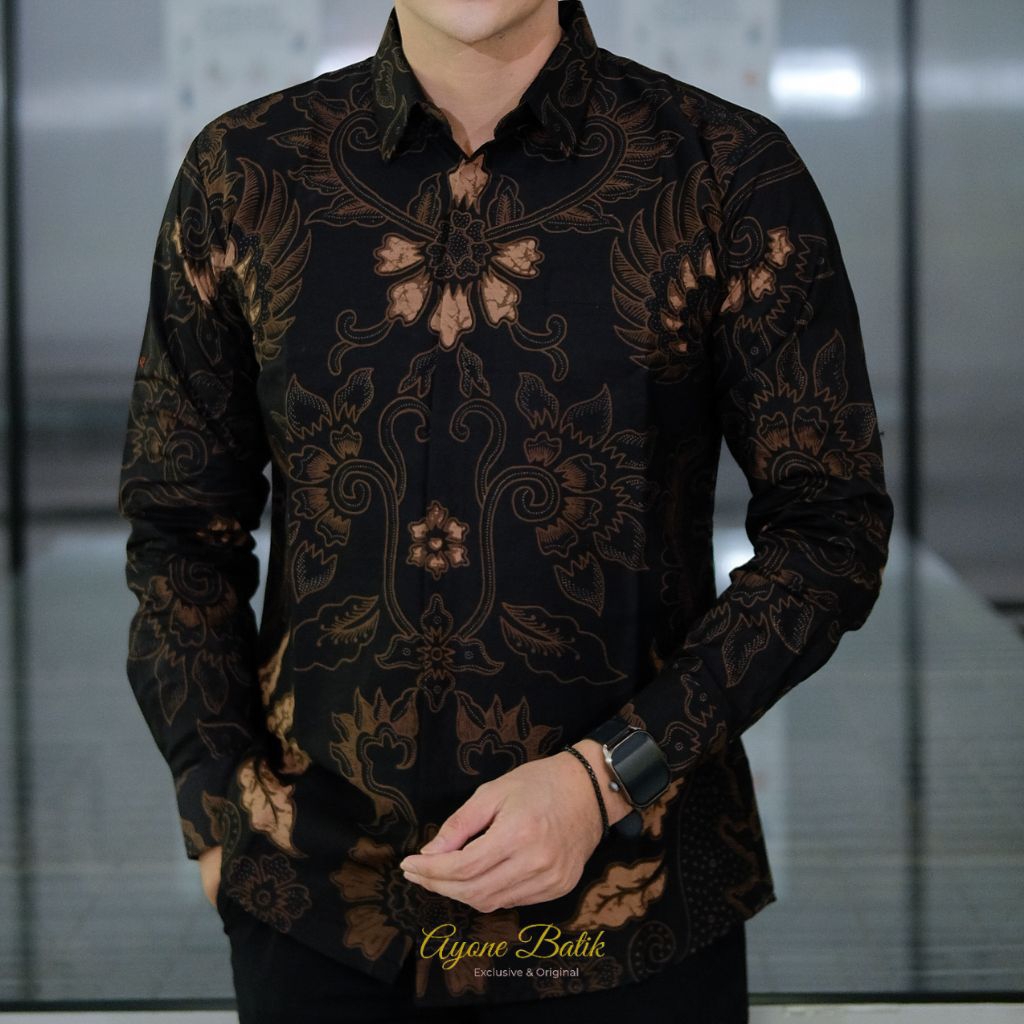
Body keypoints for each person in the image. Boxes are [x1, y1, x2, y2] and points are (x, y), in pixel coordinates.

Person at [117, 0, 894, 1021]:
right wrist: (216, 808)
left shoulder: (724, 173)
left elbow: (830, 533)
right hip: (316, 911)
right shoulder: (244, 173)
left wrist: (608, 775)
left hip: (633, 905)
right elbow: (179, 526)